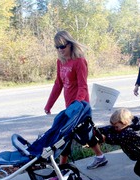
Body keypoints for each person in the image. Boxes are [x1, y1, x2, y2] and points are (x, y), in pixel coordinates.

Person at [44, 30, 107, 168]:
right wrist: (49, 105)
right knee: (74, 134)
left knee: (71, 135)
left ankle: (63, 166)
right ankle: (100, 156)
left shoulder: (79, 61)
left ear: (70, 44)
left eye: (63, 46)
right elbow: (58, 84)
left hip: (80, 106)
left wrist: (77, 105)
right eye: (57, 47)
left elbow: (82, 86)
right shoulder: (60, 62)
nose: (60, 50)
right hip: (71, 106)